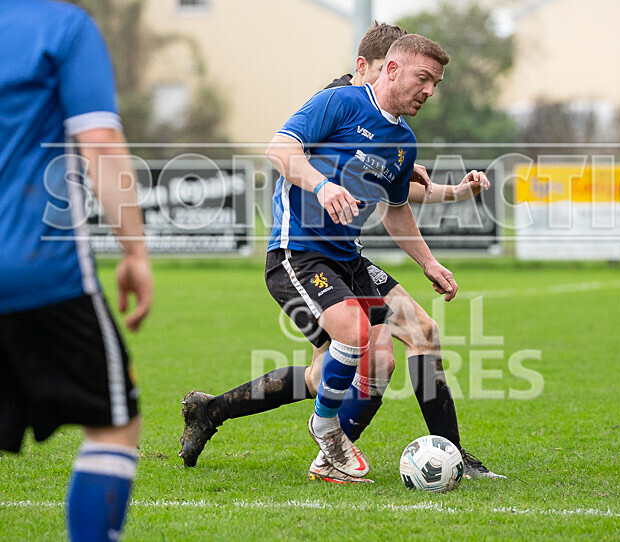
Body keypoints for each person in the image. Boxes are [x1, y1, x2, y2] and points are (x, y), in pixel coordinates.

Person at [179, 23, 503, 483]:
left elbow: (395, 210)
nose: (429, 91)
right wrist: (323, 185)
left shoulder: (403, 141)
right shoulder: (339, 101)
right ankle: (325, 446)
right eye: (423, 79)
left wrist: (429, 260)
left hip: (348, 257)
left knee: (419, 333)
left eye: (435, 84)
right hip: (300, 253)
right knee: (358, 350)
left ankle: (451, 454)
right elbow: (280, 149)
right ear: (387, 69)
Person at [0, 1, 153, 540]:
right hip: (35, 271)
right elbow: (101, 145)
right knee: (115, 424)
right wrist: (134, 252)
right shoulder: (62, 27)